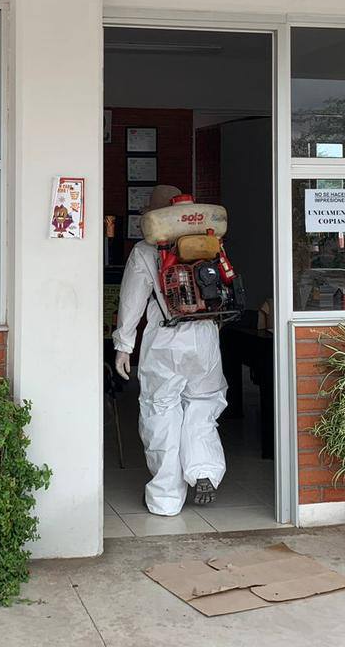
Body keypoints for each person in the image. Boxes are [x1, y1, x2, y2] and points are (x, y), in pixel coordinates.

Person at [113, 185, 227, 516]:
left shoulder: (146, 250)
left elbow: (132, 302)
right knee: (203, 404)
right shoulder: (210, 242)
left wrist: (123, 346)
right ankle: (204, 470)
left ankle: (166, 498)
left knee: (160, 410)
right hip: (205, 335)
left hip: (166, 337)